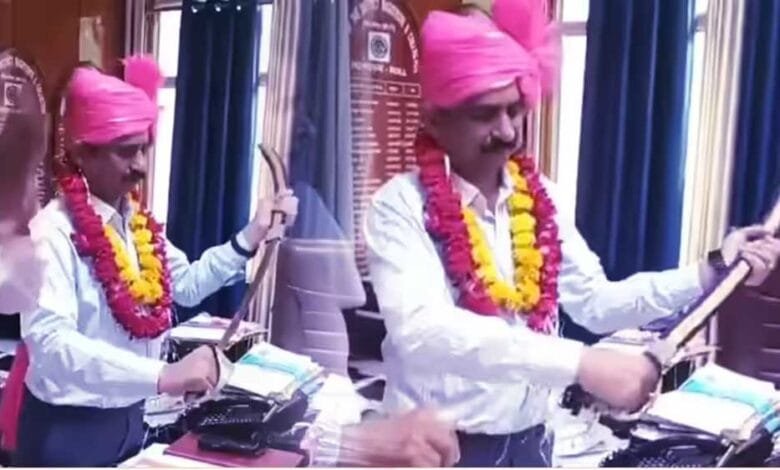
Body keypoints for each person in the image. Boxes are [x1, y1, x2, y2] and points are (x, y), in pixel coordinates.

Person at [363, 0, 780, 466]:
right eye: (485, 114)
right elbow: (423, 332)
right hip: (436, 450)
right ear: (435, 120)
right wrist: (582, 364)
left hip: (533, 445)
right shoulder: (399, 207)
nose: (507, 131)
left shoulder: (542, 198)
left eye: (515, 110)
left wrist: (712, 268)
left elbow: (597, 303)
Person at [5, 57, 298, 467]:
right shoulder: (49, 234)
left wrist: (253, 232)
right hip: (69, 434)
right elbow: (53, 348)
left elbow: (188, 284)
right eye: (126, 151)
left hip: (130, 422)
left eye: (144, 148)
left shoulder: (137, 224)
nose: (141, 166)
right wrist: (163, 376)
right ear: (83, 153)